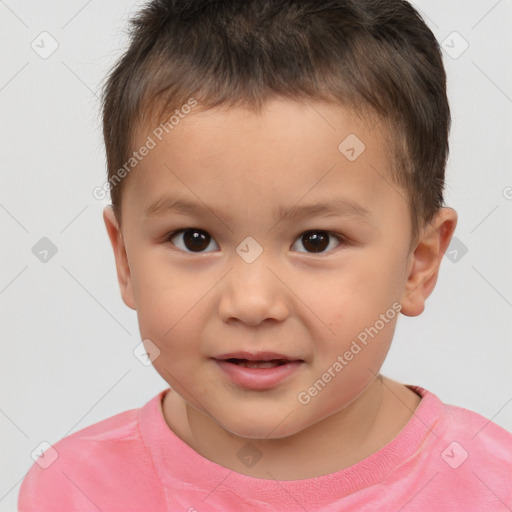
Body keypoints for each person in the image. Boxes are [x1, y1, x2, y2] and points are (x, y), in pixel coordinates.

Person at [18, 0, 512, 510]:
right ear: (125, 260)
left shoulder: (494, 487)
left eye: (316, 241)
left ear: (419, 262)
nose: (251, 302)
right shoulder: (73, 490)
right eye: (194, 239)